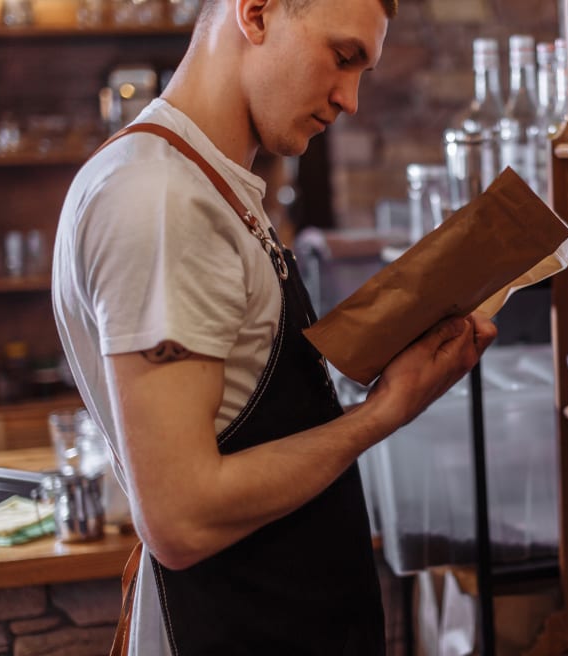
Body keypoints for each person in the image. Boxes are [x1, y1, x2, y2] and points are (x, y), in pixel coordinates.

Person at [51, 0, 497, 652]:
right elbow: (182, 518)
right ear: (255, 14)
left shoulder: (209, 187)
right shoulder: (162, 199)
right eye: (342, 58)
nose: (350, 100)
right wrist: (383, 413)